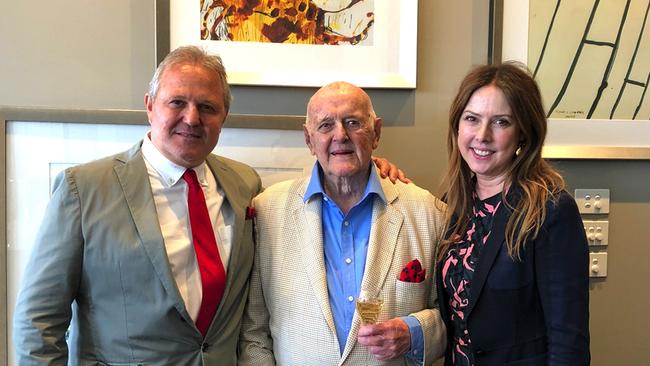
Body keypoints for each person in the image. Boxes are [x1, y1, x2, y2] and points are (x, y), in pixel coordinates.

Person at [13, 46, 262, 365]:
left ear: (223, 116)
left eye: (207, 107)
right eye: (177, 102)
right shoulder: (83, 189)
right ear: (150, 106)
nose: (192, 118)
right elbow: (38, 323)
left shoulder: (245, 185)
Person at [238, 81, 447, 365]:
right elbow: (254, 332)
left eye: (353, 122)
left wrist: (415, 333)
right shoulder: (267, 210)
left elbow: (454, 320)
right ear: (309, 139)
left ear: (376, 133)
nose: (341, 135)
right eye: (325, 125)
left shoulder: (429, 212)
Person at [436, 62, 590, 365]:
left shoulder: (550, 211)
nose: (482, 135)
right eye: (472, 119)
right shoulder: (453, 205)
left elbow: (568, 339)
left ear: (524, 133)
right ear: (457, 126)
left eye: (501, 122)